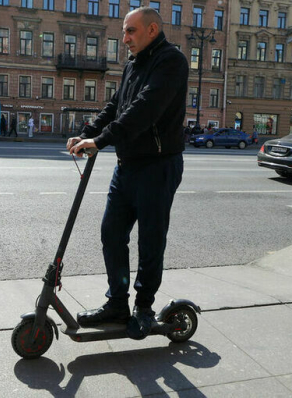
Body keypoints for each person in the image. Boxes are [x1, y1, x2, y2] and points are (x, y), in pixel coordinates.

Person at [66, 6, 188, 340]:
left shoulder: (171, 62)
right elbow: (117, 105)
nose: (124, 39)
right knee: (111, 234)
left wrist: (101, 141)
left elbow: (144, 110)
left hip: (158, 167)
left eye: (130, 31)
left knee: (150, 241)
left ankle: (144, 309)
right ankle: (117, 303)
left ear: (151, 30)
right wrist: (87, 132)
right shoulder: (133, 64)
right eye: (124, 32)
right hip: (128, 167)